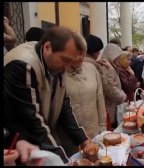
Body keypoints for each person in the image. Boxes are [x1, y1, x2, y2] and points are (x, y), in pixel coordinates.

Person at [4, 26, 90, 163]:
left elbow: (64, 106)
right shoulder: (24, 64)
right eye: (65, 60)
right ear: (47, 47)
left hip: (33, 142)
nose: (68, 67)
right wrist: (63, 160)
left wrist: (83, 140)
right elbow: (33, 120)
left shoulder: (56, 65)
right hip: (16, 145)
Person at [64, 34, 107, 155]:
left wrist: (102, 126)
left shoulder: (91, 69)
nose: (80, 57)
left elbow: (100, 98)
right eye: (76, 54)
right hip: (70, 134)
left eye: (83, 53)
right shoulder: (59, 72)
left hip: (93, 128)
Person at [100, 43, 127, 129]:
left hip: (113, 106)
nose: (119, 59)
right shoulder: (105, 67)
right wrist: (122, 96)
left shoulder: (112, 66)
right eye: (117, 57)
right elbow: (111, 89)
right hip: (110, 106)